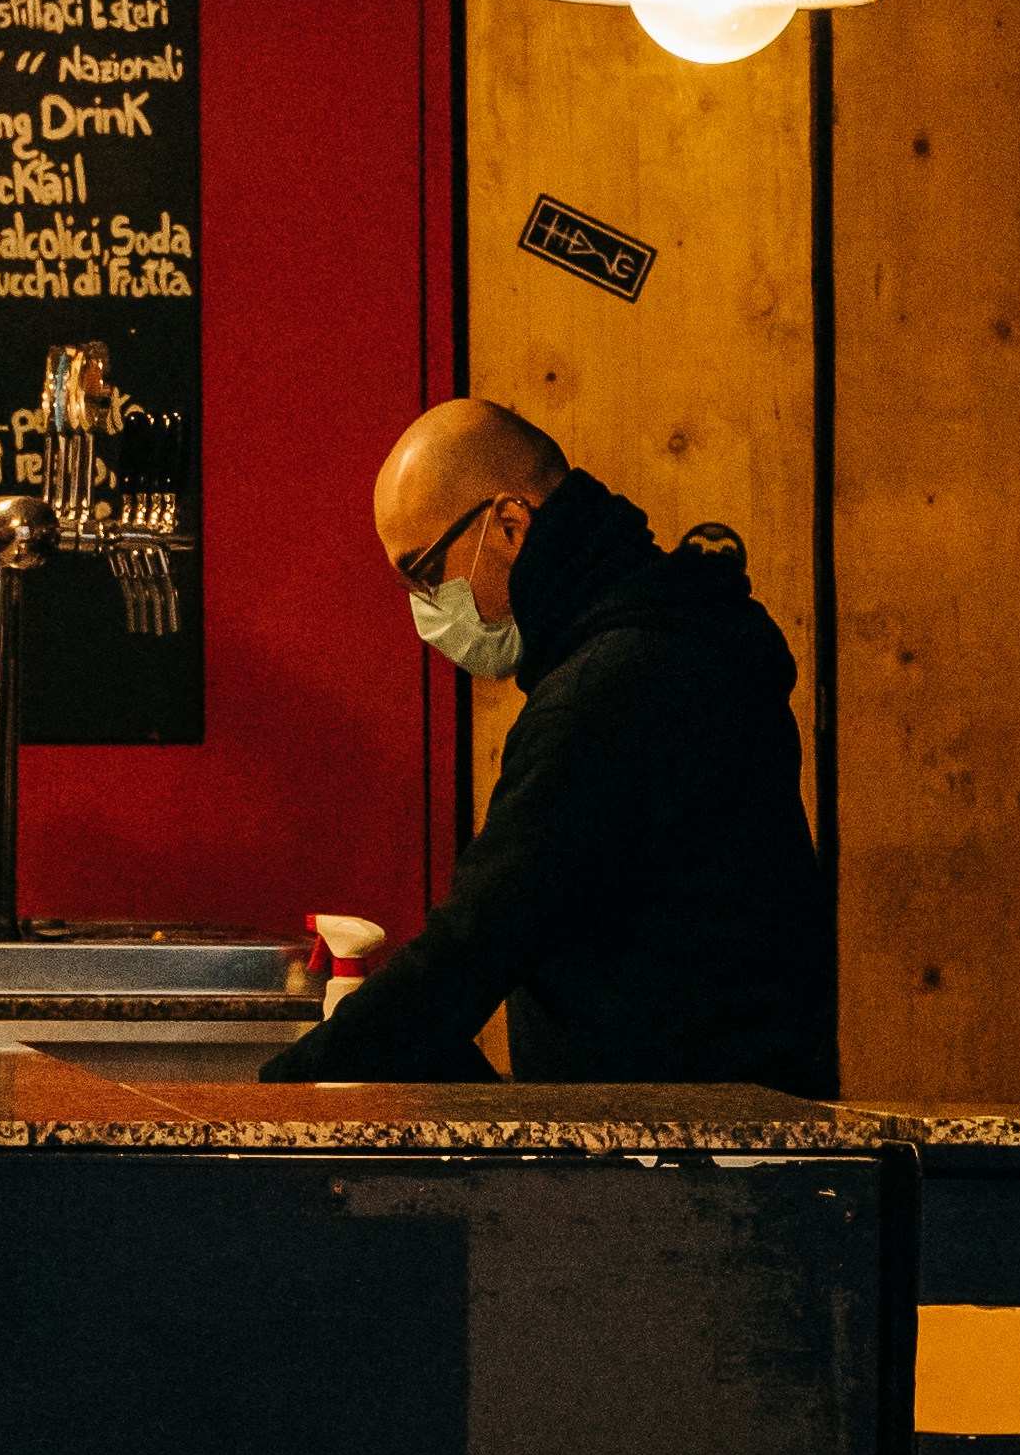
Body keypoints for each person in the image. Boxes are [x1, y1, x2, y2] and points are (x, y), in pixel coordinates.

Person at [263, 396, 838, 1093]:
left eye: (426, 570)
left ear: (509, 523)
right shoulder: (677, 634)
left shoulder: (610, 690)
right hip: (737, 1123)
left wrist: (273, 1098)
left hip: (678, 1161)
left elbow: (477, 942)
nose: (424, 606)